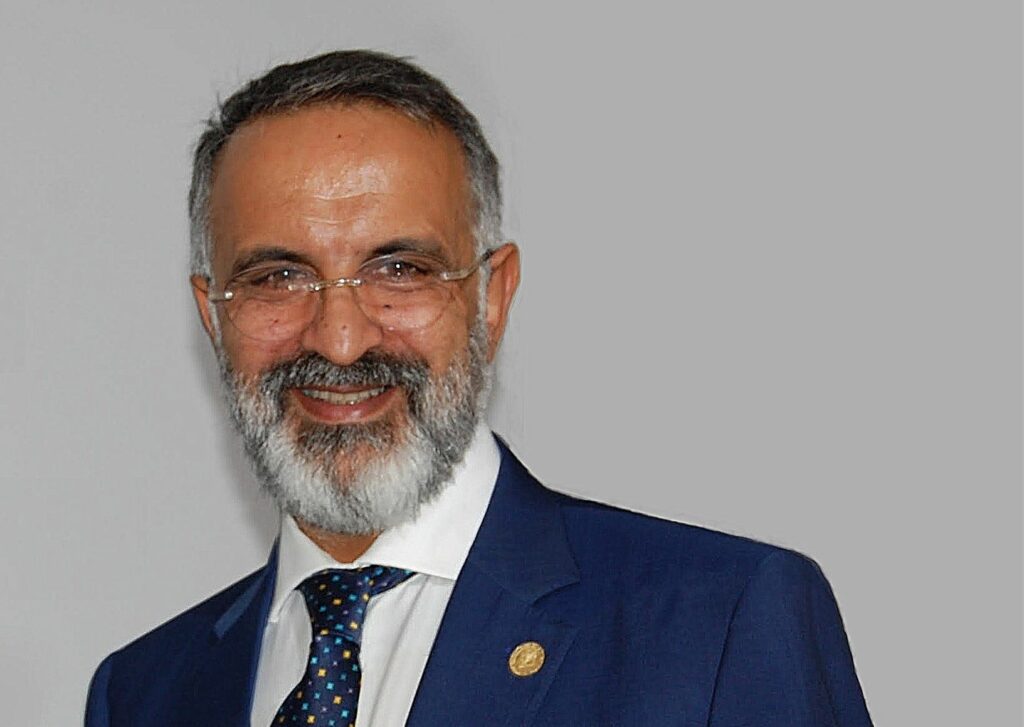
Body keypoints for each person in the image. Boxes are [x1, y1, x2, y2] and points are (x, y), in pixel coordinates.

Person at [85, 50, 872, 727]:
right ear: (213, 315)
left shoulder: (717, 624)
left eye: (400, 269)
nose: (340, 339)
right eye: (278, 278)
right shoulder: (145, 692)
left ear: (492, 298)